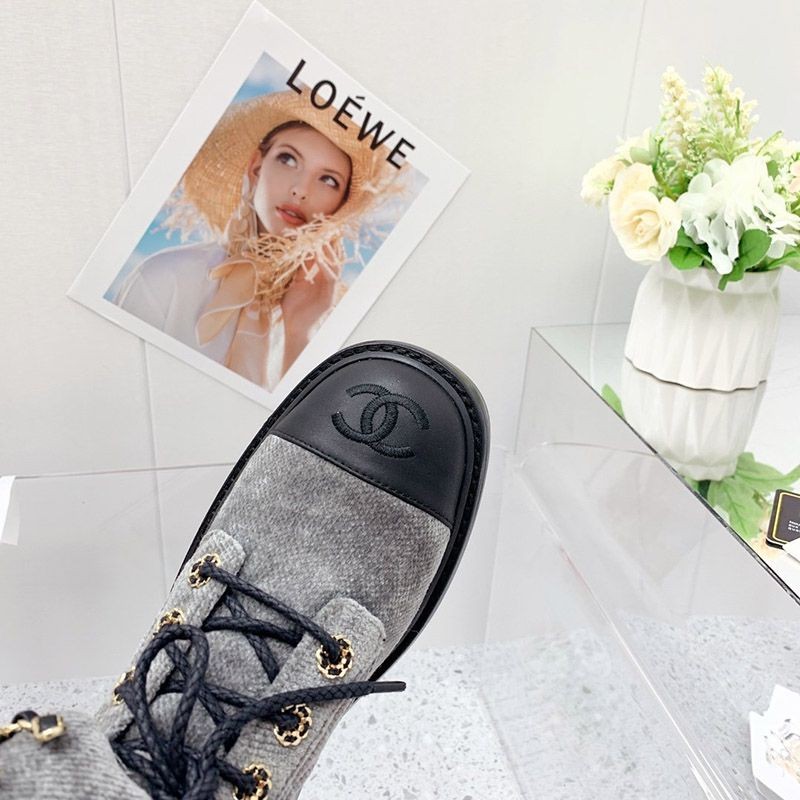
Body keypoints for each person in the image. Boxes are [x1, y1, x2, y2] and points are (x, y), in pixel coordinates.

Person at [115, 90, 398, 390]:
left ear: (339, 206)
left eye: (328, 180)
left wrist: (300, 332)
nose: (301, 190)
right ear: (256, 167)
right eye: (288, 159)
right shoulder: (165, 277)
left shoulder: (337, 329)